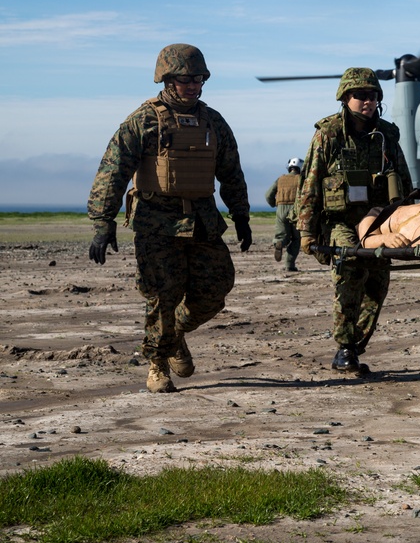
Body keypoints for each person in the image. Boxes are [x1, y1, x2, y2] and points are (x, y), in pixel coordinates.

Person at [87, 43, 252, 394]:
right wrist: (104, 222)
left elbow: (231, 171)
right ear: (166, 79)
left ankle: (174, 335)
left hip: (203, 220)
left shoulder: (213, 122)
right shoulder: (144, 120)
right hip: (156, 223)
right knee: (162, 295)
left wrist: (241, 215)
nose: (192, 85)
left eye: (197, 78)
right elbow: (113, 171)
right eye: (183, 79)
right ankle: (157, 363)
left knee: (216, 288)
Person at [296, 67, 413, 374]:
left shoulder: (386, 135)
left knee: (378, 283)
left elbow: (403, 177)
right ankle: (345, 346)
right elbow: (310, 183)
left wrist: (414, 214)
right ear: (345, 98)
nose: (368, 101)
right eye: (360, 95)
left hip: (378, 221)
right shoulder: (329, 135)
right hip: (340, 222)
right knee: (350, 271)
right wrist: (306, 231)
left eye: (373, 96)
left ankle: (355, 344)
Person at [265, 157, 303, 272]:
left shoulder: (280, 179)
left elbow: (268, 195)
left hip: (281, 209)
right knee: (296, 238)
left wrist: (274, 205)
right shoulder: (302, 179)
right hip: (296, 210)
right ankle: (289, 265)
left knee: (282, 235)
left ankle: (279, 243)